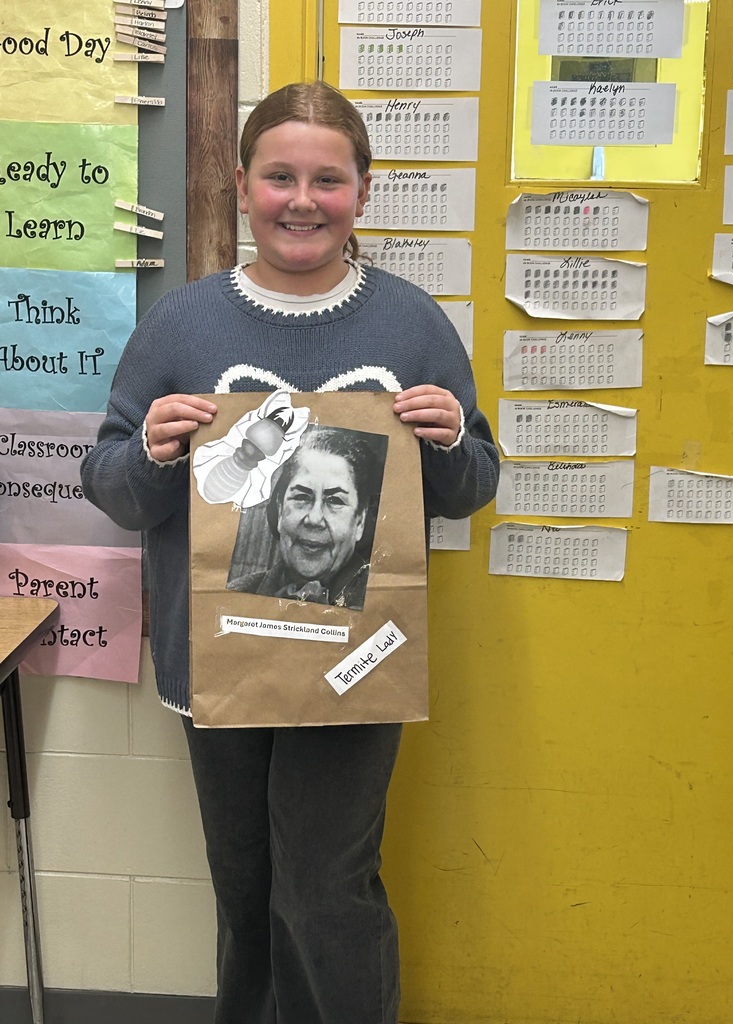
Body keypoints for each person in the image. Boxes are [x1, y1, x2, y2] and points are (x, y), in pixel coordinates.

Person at [81, 80, 499, 1024]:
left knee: (325, 888)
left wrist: (447, 445)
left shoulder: (410, 323)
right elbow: (109, 484)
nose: (302, 199)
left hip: (356, 666)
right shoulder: (183, 325)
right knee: (242, 887)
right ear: (241, 185)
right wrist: (148, 450)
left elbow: (474, 485)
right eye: (279, 176)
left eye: (327, 178)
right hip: (215, 661)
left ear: (363, 189)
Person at [227, 425, 384, 610]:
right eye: (301, 497)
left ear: (360, 520)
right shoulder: (235, 594)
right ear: (279, 510)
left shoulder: (384, 603)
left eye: (334, 500)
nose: (314, 519)